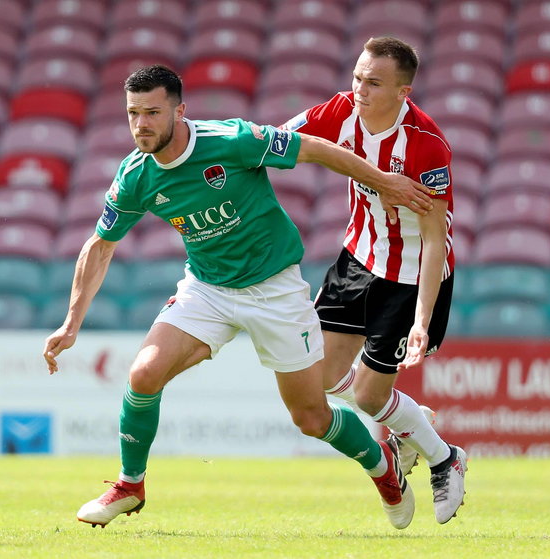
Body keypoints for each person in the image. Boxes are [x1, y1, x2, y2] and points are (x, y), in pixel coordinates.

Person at [42, 65, 435, 530]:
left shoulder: (230, 140)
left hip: (275, 290)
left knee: (310, 417)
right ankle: (130, 485)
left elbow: (315, 149)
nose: (142, 124)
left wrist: (383, 181)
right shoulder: (136, 176)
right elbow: (100, 245)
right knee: (144, 373)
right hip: (207, 289)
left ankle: (382, 468)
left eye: (152, 112)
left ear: (179, 110)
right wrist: (71, 323)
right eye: (133, 113)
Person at [281, 37, 467, 525]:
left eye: (374, 82)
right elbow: (274, 141)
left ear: (403, 92)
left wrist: (422, 321)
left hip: (410, 277)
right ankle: (410, 422)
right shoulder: (340, 111)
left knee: (367, 396)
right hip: (358, 258)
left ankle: (445, 458)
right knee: (317, 376)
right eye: (358, 76)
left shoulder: (426, 145)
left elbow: (432, 239)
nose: (359, 89)